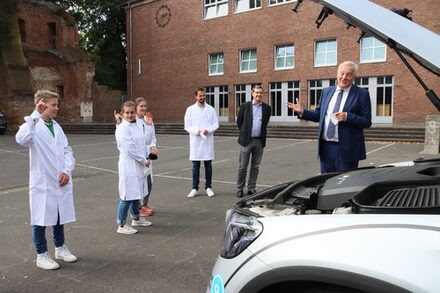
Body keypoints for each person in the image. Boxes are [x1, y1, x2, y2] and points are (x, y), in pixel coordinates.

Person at [16, 90, 77, 270]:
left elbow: (67, 150)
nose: (57, 108)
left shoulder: (57, 126)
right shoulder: (33, 126)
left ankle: (60, 247)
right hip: (43, 182)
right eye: (53, 105)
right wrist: (35, 115)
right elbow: (21, 138)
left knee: (59, 215)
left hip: (60, 180)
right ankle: (41, 254)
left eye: (57, 105)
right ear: (42, 104)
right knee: (40, 218)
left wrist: (67, 170)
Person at [287, 61, 372, 173]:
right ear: (337, 74)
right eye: (341, 73)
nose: (344, 77)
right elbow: (319, 115)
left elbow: (367, 121)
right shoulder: (326, 91)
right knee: (326, 183)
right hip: (326, 148)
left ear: (354, 77)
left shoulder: (362, 94)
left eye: (348, 74)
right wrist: (302, 112)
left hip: (347, 149)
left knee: (344, 184)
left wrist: (348, 117)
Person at [115, 101, 152, 235]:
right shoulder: (122, 128)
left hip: (139, 164)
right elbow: (129, 148)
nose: (130, 115)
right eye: (127, 112)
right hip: (129, 164)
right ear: (122, 113)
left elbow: (144, 140)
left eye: (132, 112)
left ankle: (136, 218)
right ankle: (121, 224)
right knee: (127, 195)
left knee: (136, 193)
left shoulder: (138, 123)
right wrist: (143, 160)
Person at [236, 85, 271, 198]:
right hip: (246, 141)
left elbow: (265, 123)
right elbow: (239, 122)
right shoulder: (245, 106)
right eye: (256, 93)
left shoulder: (267, 108)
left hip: (259, 141)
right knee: (243, 166)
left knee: (255, 166)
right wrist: (245, 132)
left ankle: (251, 188)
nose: (258, 95)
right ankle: (240, 188)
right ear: (252, 94)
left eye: (260, 93)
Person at [184, 88, 219, 198]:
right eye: (200, 96)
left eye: (204, 95)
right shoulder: (190, 109)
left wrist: (208, 130)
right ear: (196, 96)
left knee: (208, 165)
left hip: (207, 140)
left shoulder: (211, 109)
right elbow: (187, 125)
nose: (202, 97)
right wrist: (196, 131)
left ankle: (208, 187)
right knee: (196, 165)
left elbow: (216, 123)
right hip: (196, 140)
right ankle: (195, 188)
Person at [134, 97, 158, 217]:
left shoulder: (148, 120)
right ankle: (137, 207)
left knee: (148, 182)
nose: (143, 108)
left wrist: (153, 147)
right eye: (141, 106)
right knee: (138, 182)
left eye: (145, 106)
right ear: (136, 107)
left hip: (147, 155)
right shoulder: (133, 121)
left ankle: (145, 204)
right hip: (138, 155)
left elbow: (152, 137)